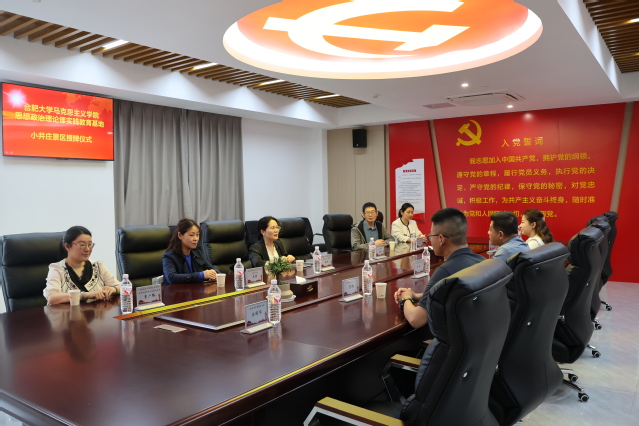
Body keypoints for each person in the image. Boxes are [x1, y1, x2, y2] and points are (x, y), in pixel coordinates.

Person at [394, 208, 484, 329]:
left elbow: (416, 320)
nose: (430, 240)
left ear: (441, 239)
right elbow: (451, 295)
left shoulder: (445, 271)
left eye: (431, 236)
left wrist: (405, 299)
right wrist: (417, 297)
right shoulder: (481, 261)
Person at [44, 226, 120, 305]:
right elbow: (52, 298)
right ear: (67, 246)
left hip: (96, 312)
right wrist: (85, 295)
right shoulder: (57, 269)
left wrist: (113, 289)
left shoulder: (97, 266)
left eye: (90, 244)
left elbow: (123, 287)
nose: (87, 249)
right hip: (69, 312)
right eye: (82, 245)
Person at [162, 218, 218, 285]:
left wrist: (213, 274)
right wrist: (201, 275)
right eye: (191, 235)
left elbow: (213, 269)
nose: (196, 239)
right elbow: (172, 278)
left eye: (197, 235)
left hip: (195, 290)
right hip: (176, 291)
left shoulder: (197, 253)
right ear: (180, 235)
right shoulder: (169, 257)